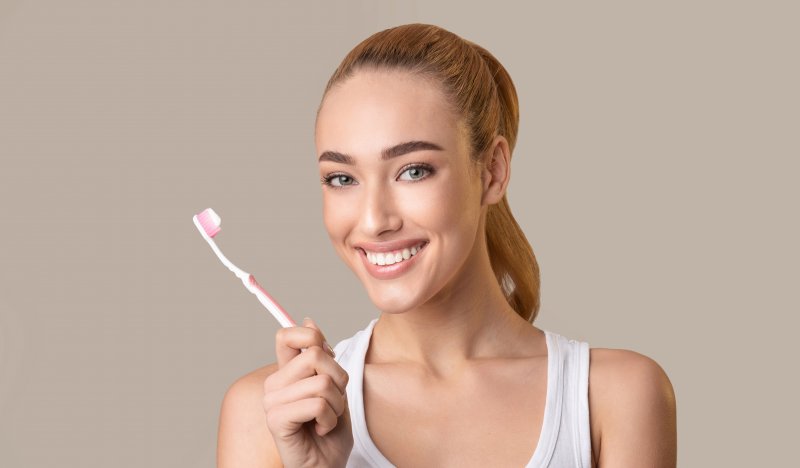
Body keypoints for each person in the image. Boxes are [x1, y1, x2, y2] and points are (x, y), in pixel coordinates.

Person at [217, 23, 677, 467]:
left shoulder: (613, 398)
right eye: (342, 178)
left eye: (413, 170)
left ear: (492, 171)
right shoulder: (267, 416)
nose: (374, 220)